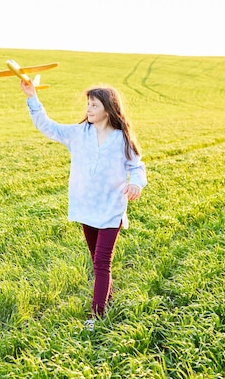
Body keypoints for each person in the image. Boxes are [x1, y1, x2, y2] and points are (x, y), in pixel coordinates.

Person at [20, 80, 147, 331]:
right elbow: (47, 126)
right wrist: (32, 96)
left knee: (102, 261)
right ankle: (106, 297)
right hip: (85, 207)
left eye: (94, 105)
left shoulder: (122, 138)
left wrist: (137, 185)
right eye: (88, 104)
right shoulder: (79, 134)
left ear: (108, 109)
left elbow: (137, 166)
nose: (88, 109)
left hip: (111, 208)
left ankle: (97, 316)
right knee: (95, 259)